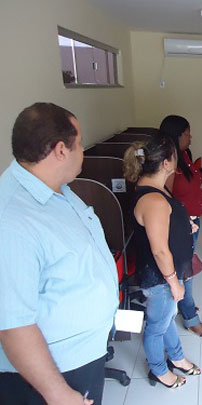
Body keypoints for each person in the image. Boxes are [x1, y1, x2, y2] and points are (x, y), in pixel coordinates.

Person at [0, 103, 118, 405]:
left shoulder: (55, 188)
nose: (83, 152)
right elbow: (13, 325)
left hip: (80, 354)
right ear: (61, 150)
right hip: (53, 372)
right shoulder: (12, 219)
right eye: (79, 144)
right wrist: (58, 393)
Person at [123, 135, 201, 389]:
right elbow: (159, 251)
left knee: (166, 318)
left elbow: (164, 224)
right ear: (167, 163)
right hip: (159, 278)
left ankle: (176, 357)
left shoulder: (154, 188)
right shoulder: (153, 200)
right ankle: (159, 370)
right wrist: (174, 284)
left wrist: (183, 224)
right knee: (157, 325)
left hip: (164, 275)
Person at [160, 115, 202, 338]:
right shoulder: (168, 162)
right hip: (182, 224)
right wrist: (183, 222)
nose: (190, 137)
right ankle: (191, 317)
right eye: (187, 133)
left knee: (187, 266)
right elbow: (166, 198)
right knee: (185, 270)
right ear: (177, 135)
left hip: (192, 220)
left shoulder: (183, 155)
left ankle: (185, 306)